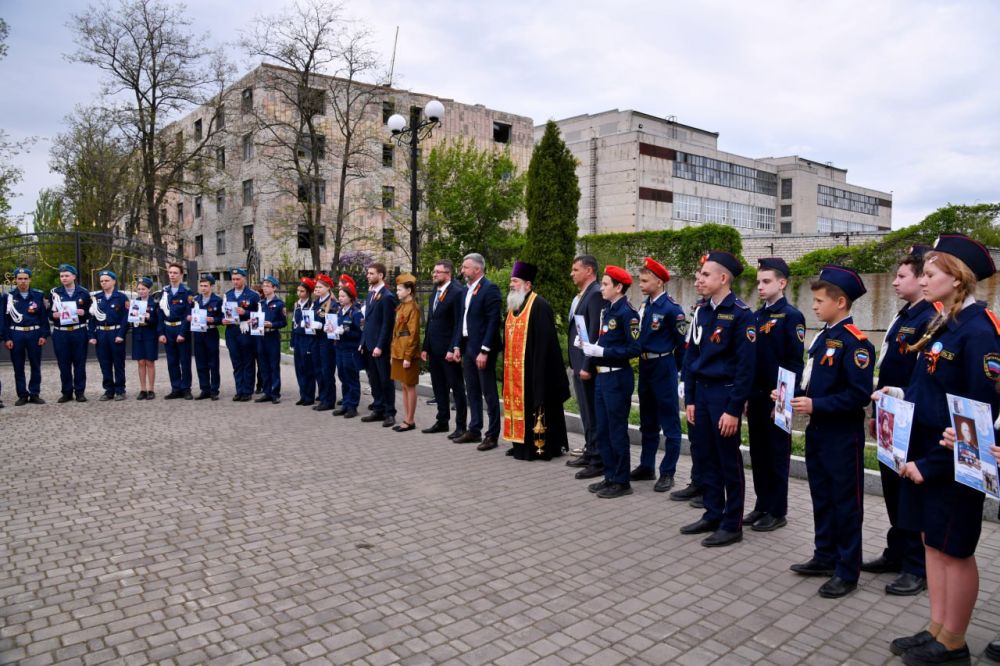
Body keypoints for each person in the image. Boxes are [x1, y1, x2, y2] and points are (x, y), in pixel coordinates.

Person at [878, 234, 999, 665]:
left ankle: (953, 641)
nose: (922, 280)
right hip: (926, 448)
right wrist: (896, 392)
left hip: (952, 460)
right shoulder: (946, 324)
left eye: (930, 273)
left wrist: (931, 463)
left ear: (957, 277)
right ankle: (937, 627)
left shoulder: (980, 332)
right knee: (933, 542)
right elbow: (930, 388)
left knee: (955, 549)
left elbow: (979, 415)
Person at [788, 265, 875, 598]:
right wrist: (792, 396)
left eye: (820, 300)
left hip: (842, 436)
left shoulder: (857, 344)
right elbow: (813, 382)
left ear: (840, 302)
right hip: (818, 432)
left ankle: (847, 569)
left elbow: (858, 396)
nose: (814, 306)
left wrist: (816, 406)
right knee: (821, 497)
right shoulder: (823, 336)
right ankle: (824, 555)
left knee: (845, 503)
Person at [862, 247, 937, 597]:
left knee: (909, 492)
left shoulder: (930, 318)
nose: (894, 281)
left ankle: (915, 564)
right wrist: (878, 412)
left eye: (902, 276)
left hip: (913, 417)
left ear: (922, 280)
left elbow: (924, 377)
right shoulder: (907, 314)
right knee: (893, 488)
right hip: (893, 411)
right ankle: (896, 550)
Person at [681, 251, 756, 547]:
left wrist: (734, 409)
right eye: (700, 275)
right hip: (701, 393)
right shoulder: (702, 311)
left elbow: (745, 368)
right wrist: (689, 397)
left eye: (706, 275)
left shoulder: (741, 315)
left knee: (728, 461)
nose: (699, 279)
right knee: (705, 455)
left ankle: (732, 522)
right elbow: (691, 355)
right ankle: (712, 512)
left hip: (724, 395)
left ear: (723, 278)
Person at [745, 257, 805, 533]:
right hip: (756, 396)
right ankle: (762, 503)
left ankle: (777, 510)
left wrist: (782, 400)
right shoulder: (757, 315)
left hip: (776, 398)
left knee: (776, 454)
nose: (760, 286)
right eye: (758, 281)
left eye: (766, 281)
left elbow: (794, 363)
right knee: (758, 453)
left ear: (782, 283)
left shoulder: (791, 317)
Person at [580, 265, 640, 497]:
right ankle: (610, 475)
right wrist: (590, 348)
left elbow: (634, 348)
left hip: (617, 376)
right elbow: (605, 341)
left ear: (618, 287)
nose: (602, 288)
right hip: (603, 377)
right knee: (603, 430)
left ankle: (622, 481)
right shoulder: (609, 309)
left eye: (606, 284)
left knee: (616, 431)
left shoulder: (627, 313)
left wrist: (602, 352)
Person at [502, 261, 570, 460]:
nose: (511, 285)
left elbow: (545, 345)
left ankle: (537, 447)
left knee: (537, 406)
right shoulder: (513, 305)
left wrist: (538, 374)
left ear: (528, 284)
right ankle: (520, 443)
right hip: (515, 372)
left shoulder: (539, 305)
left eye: (515, 281)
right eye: (511, 281)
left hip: (534, 371)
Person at [632, 257, 686, 492]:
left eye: (645, 280)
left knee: (670, 421)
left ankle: (668, 472)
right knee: (648, 420)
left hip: (663, 367)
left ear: (658, 281)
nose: (641, 284)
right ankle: (647, 465)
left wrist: (678, 372)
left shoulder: (672, 309)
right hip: (646, 367)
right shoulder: (647, 306)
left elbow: (681, 343)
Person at [455, 252, 503, 451]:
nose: (462, 270)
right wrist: (457, 345)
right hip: (468, 346)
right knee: (472, 390)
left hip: (483, 348)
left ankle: (492, 435)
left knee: (488, 392)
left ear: (477, 269)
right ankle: (474, 429)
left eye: (466, 267)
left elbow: (493, 322)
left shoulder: (489, 289)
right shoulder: (467, 290)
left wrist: (485, 350)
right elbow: (462, 320)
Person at [565, 254, 606, 478]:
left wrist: (588, 365)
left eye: (575, 269)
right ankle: (590, 451)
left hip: (587, 366)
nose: (572, 273)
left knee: (592, 411)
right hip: (579, 362)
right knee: (585, 411)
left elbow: (593, 332)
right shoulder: (584, 294)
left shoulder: (595, 294)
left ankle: (597, 459)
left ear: (589, 270)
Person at [420, 259, 468, 439]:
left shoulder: (457, 292)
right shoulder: (436, 290)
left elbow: (458, 323)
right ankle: (442, 421)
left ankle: (461, 426)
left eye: (438, 272)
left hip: (448, 350)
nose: (434, 274)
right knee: (439, 387)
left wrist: (453, 347)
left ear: (448, 273)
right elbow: (432, 320)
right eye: (434, 271)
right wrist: (425, 347)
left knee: (456, 388)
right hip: (434, 349)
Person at [4, 267, 50, 405]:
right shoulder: (9, 297)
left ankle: (34, 393)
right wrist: (7, 338)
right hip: (16, 333)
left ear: (30, 279)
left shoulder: (38, 295)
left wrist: (44, 335)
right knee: (18, 366)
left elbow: (43, 317)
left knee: (35, 364)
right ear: (16, 280)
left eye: (25, 278)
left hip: (34, 334)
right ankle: (22, 394)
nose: (23, 281)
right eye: (20, 278)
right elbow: (5, 319)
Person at [360, 262, 398, 427]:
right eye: (367, 273)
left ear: (381, 275)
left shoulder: (388, 296)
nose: (368, 276)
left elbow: (387, 325)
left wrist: (380, 346)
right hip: (368, 344)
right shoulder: (370, 295)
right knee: (373, 379)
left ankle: (390, 413)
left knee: (385, 380)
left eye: (371, 273)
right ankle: (378, 408)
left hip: (379, 347)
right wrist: (363, 342)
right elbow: (367, 321)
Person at [49, 263, 92, 403]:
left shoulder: (84, 293)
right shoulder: (55, 293)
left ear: (74, 276)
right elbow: (49, 312)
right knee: (63, 363)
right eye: (62, 276)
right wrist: (53, 315)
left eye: (67, 275)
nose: (64, 278)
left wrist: (83, 312)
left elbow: (91, 313)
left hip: (78, 331)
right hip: (61, 333)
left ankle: (80, 392)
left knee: (79, 363)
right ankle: (66, 392)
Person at [89, 269, 130, 401]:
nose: (104, 283)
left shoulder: (121, 297)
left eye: (106, 280)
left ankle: (120, 390)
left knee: (118, 363)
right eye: (101, 281)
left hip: (115, 332)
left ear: (113, 281)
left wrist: (121, 334)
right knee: (104, 363)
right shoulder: (97, 298)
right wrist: (92, 336)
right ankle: (108, 390)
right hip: (101, 333)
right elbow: (92, 319)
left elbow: (126, 318)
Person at [223, 267, 260, 402]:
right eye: (233, 279)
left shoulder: (253, 295)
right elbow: (224, 312)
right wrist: (223, 319)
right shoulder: (228, 294)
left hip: (246, 331)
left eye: (238, 279)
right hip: (232, 330)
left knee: (247, 361)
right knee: (236, 362)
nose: (235, 282)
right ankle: (239, 390)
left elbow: (259, 315)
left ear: (244, 279)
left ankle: (247, 390)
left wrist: (246, 313)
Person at [390, 273, 421, 432]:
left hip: (407, 353)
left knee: (409, 385)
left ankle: (410, 420)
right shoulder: (401, 306)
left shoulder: (413, 308)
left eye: (400, 289)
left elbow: (413, 334)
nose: (397, 292)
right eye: (397, 289)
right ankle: (406, 418)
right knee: (403, 385)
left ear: (409, 291)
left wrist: (408, 356)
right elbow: (397, 331)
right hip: (398, 351)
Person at [158, 262, 193, 399]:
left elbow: (188, 314)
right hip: (168, 329)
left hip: (181, 328)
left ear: (181, 275)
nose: (172, 275)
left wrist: (182, 333)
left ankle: (186, 389)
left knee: (184, 361)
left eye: (175, 273)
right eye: (170, 273)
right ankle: (175, 388)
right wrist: (161, 333)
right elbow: (160, 313)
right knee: (172, 361)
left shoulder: (187, 292)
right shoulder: (164, 291)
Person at [333, 282, 363, 418]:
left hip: (350, 349)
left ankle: (353, 406)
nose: (340, 298)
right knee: (343, 376)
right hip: (339, 347)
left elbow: (360, 333)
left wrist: (346, 332)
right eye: (339, 296)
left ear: (351, 297)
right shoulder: (339, 311)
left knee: (352, 378)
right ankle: (345, 403)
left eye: (343, 296)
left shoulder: (356, 313)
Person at [255, 276, 286, 404]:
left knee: (273, 365)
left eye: (268, 286)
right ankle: (266, 391)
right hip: (261, 337)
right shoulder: (260, 304)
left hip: (272, 336)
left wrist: (272, 324)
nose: (265, 288)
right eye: (264, 286)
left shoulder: (279, 304)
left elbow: (283, 322)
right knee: (263, 365)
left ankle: (275, 392)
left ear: (274, 288)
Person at [191, 274, 223, 400]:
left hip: (211, 332)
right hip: (198, 333)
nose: (203, 288)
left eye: (206, 286)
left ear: (212, 286)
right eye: (201, 286)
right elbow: (190, 314)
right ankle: (204, 389)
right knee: (201, 362)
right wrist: (190, 318)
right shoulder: (195, 300)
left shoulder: (217, 300)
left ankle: (214, 390)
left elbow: (222, 319)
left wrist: (213, 319)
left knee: (213, 362)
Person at [311, 273, 338, 411]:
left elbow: (333, 323)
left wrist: (321, 326)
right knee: (318, 370)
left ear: (328, 288)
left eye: (320, 287)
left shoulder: (332, 304)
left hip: (327, 341)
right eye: (316, 286)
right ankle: (322, 398)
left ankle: (329, 400)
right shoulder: (316, 302)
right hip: (316, 340)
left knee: (327, 371)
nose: (318, 289)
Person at [131, 276, 159, 399]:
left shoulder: (154, 303)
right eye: (139, 289)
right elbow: (131, 320)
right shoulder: (135, 302)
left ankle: (151, 389)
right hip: (138, 335)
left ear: (149, 290)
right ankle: (142, 389)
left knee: (149, 362)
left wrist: (148, 317)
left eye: (143, 289)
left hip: (150, 335)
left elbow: (157, 321)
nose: (141, 291)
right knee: (141, 362)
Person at [291, 277, 318, 406]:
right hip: (297, 338)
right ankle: (303, 394)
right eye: (298, 291)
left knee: (308, 369)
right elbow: (293, 324)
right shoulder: (296, 305)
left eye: (302, 291)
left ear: (308, 292)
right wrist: (292, 342)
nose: (299, 293)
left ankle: (309, 396)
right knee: (299, 368)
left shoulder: (312, 305)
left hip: (307, 338)